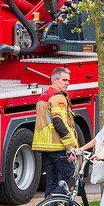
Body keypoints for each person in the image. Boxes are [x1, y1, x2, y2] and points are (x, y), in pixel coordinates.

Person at [32, 67, 79, 198]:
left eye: (68, 80)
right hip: (58, 146)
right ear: (55, 80)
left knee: (51, 183)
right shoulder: (58, 97)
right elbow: (59, 123)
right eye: (64, 80)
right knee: (71, 179)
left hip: (47, 148)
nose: (67, 83)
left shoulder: (44, 96)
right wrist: (70, 147)